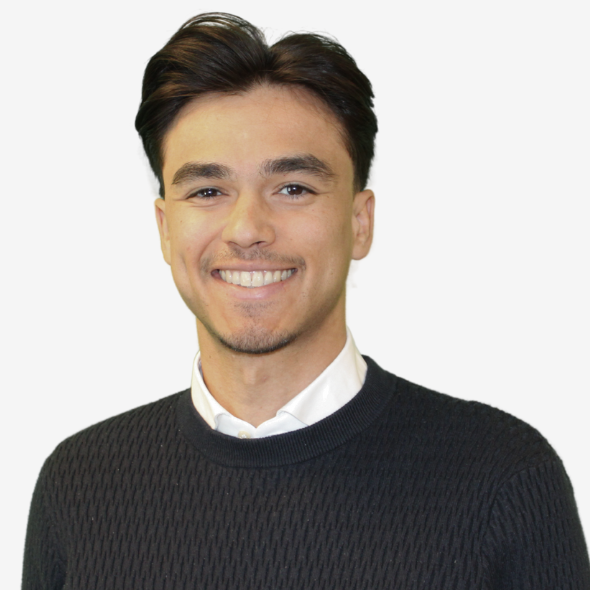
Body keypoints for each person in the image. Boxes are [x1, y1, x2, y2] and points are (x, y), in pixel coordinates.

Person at [22, 12, 590, 589]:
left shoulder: (502, 480)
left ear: (359, 222)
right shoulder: (80, 486)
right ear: (166, 230)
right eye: (208, 190)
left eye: (293, 188)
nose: (247, 229)